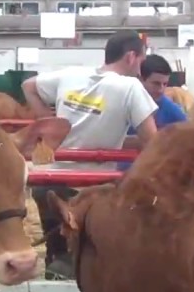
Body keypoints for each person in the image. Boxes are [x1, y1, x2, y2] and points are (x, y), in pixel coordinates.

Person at [22, 31, 159, 278]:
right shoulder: (130, 87)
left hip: (48, 180)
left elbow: (28, 86)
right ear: (131, 57)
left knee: (57, 249)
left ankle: (55, 282)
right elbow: (154, 142)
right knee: (87, 259)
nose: (141, 67)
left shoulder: (71, 74)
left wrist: (51, 123)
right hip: (88, 189)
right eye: (141, 59)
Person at [116, 53, 187, 171]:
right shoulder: (120, 104)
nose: (161, 90)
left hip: (153, 175)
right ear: (140, 80)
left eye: (165, 84)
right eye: (156, 84)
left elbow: (187, 141)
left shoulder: (173, 111)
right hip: (118, 173)